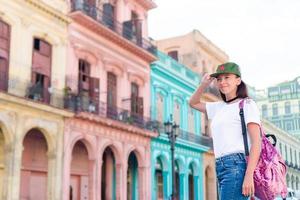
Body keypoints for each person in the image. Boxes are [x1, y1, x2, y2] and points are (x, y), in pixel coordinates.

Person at [189, 62, 261, 200]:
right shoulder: (218, 107)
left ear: (238, 80)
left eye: (227, 77)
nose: (222, 82)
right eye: (219, 79)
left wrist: (249, 174)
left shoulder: (247, 104)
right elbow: (193, 102)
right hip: (221, 166)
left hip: (237, 166)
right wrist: (204, 84)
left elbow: (256, 143)